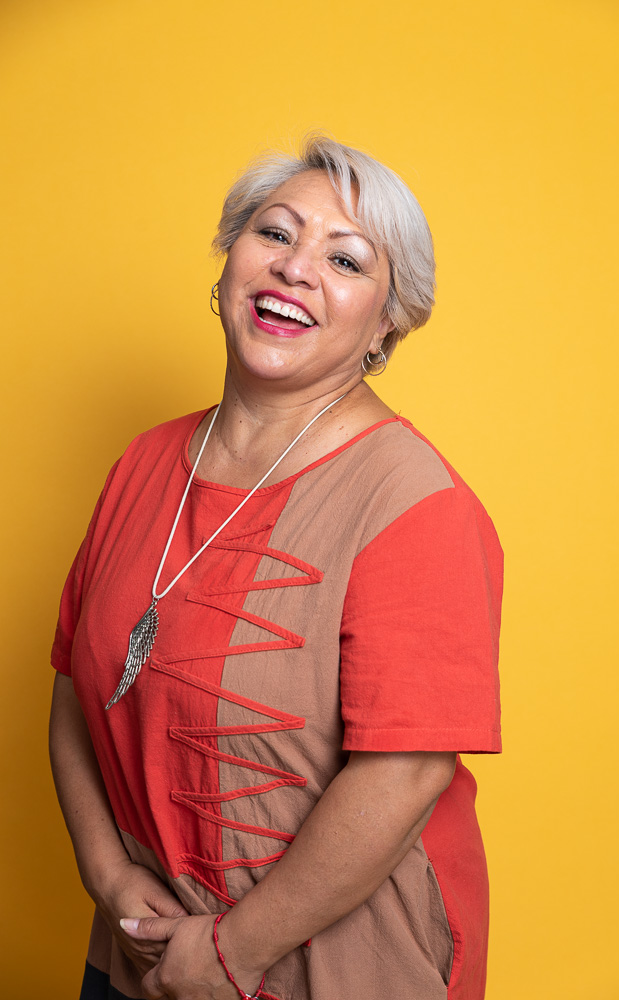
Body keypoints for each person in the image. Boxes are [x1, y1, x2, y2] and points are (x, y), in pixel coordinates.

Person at [49, 134, 503, 1000]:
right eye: (276, 233)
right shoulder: (143, 464)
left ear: (388, 322)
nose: (296, 268)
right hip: (141, 951)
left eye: (346, 259)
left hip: (337, 967)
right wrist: (108, 877)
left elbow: (406, 771)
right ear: (229, 261)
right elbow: (76, 685)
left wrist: (234, 951)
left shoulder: (415, 503)